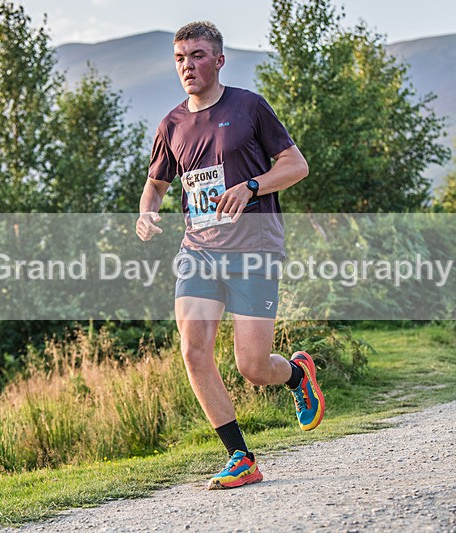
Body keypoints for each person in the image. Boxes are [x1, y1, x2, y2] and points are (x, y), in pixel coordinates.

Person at [135, 21, 324, 490]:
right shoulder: (171, 124)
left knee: (253, 367)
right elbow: (156, 185)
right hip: (197, 251)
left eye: (197, 55)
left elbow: (296, 166)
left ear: (218, 60)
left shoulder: (250, 107)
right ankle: (240, 456)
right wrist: (146, 214)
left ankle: (297, 374)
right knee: (193, 350)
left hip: (254, 248)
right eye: (180, 58)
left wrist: (252, 186)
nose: (187, 65)